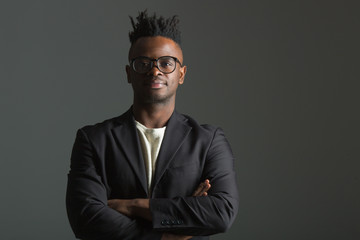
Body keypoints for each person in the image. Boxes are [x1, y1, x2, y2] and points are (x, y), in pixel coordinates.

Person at [66, 10, 239, 240]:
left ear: (181, 74)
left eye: (166, 63)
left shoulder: (209, 141)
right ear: (129, 73)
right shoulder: (94, 140)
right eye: (143, 63)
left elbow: (222, 212)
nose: (155, 70)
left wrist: (134, 206)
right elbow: (85, 217)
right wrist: (168, 236)